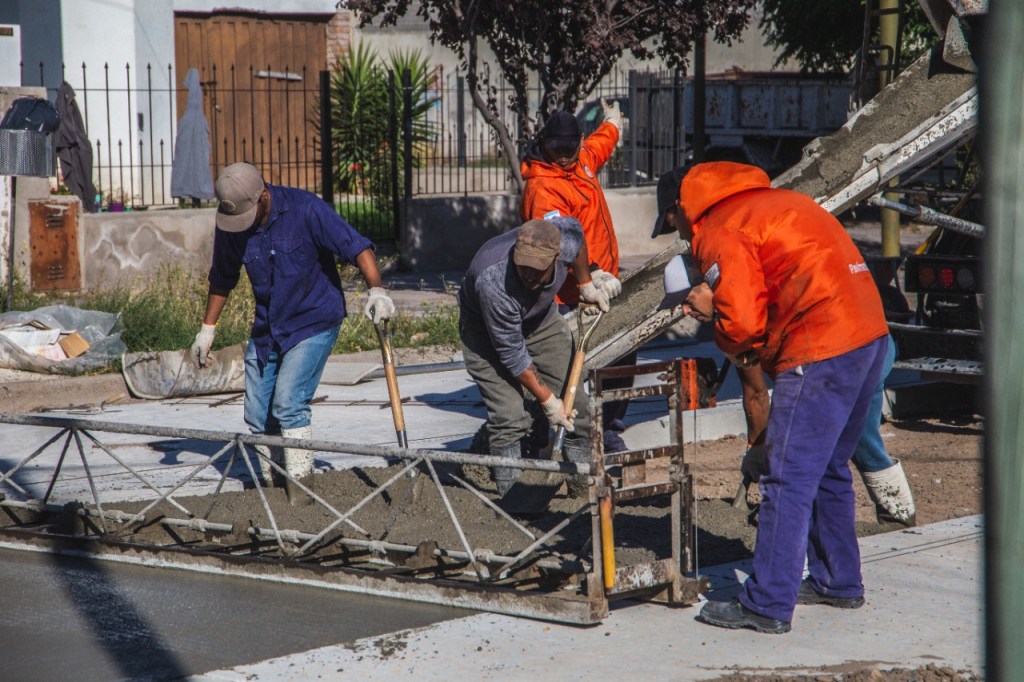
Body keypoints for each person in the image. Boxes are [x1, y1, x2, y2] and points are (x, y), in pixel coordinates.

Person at [657, 161, 889, 634]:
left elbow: (741, 323)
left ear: (682, 207)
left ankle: (766, 602)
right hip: (869, 334)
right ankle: (838, 580)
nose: (680, 236)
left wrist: (710, 311)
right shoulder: (775, 202)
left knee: (786, 477)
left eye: (673, 223)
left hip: (822, 343)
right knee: (827, 467)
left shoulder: (720, 229)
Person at [191, 162, 395, 504]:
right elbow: (223, 276)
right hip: (270, 326)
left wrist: (377, 290)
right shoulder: (232, 223)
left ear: (264, 197)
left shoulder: (306, 209)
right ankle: (274, 491)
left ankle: (301, 492)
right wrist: (206, 329)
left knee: (288, 402)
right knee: (257, 416)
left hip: (314, 319)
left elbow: (357, 247)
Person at [458, 216, 619, 496]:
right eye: (523, 268)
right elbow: (512, 354)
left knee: (577, 404)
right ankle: (514, 498)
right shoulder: (494, 280)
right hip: (484, 333)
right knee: (509, 415)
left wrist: (586, 285)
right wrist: (548, 402)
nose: (529, 275)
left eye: (538, 270)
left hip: (540, 320)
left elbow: (578, 240)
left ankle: (582, 491)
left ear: (557, 257)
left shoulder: (563, 237)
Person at [519, 102, 632, 453]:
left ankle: (609, 425)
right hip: (566, 293)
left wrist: (612, 120)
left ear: (579, 142)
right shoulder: (543, 188)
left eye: (571, 149)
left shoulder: (582, 158)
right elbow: (561, 244)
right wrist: (592, 275)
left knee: (624, 352)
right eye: (557, 150)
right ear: (544, 143)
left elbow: (603, 141)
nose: (565, 157)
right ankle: (571, 433)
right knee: (572, 366)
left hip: (601, 282)